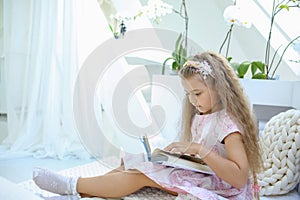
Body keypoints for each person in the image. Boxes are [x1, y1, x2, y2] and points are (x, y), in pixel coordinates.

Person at [33, 51, 262, 199]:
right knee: (135, 163)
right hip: (206, 173)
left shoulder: (227, 123)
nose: (192, 101)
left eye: (198, 93)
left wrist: (198, 150)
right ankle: (86, 190)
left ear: (219, 88)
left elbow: (239, 177)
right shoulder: (203, 114)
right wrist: (181, 155)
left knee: (143, 175)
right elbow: (205, 155)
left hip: (224, 187)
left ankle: (74, 186)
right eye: (188, 94)